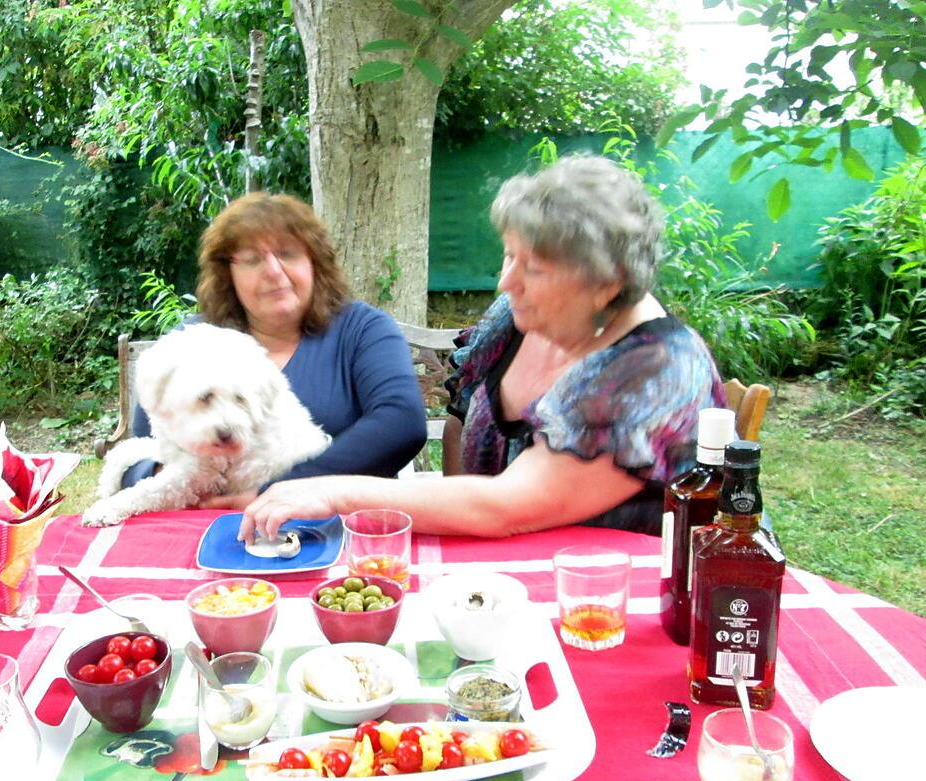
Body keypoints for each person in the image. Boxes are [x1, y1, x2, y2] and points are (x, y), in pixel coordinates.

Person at [241, 154, 726, 540]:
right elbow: (460, 424)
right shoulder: (518, 317)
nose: (504, 282)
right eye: (508, 255)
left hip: (633, 602)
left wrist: (328, 492)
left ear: (607, 282)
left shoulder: (656, 371)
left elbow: (504, 507)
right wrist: (458, 520)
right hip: (507, 580)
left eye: (532, 268)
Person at [124, 192, 427, 506]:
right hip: (206, 528)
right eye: (252, 259)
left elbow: (402, 422)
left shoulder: (363, 329)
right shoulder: (192, 343)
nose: (273, 271)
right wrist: (161, 475)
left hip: (338, 524)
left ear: (315, 264)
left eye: (288, 253)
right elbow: (143, 446)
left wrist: (278, 492)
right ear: (228, 274)